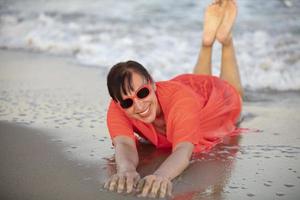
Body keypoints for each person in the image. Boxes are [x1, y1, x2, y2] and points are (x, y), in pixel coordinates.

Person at [104, 0, 242, 198]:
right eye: (128, 102)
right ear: (119, 104)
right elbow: (124, 144)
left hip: (199, 102)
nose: (139, 104)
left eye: (143, 93)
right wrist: (126, 170)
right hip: (188, 94)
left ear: (152, 84)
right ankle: (206, 43)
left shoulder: (180, 102)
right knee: (196, 87)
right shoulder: (117, 107)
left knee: (233, 96)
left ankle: (226, 41)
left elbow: (183, 150)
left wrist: (161, 175)